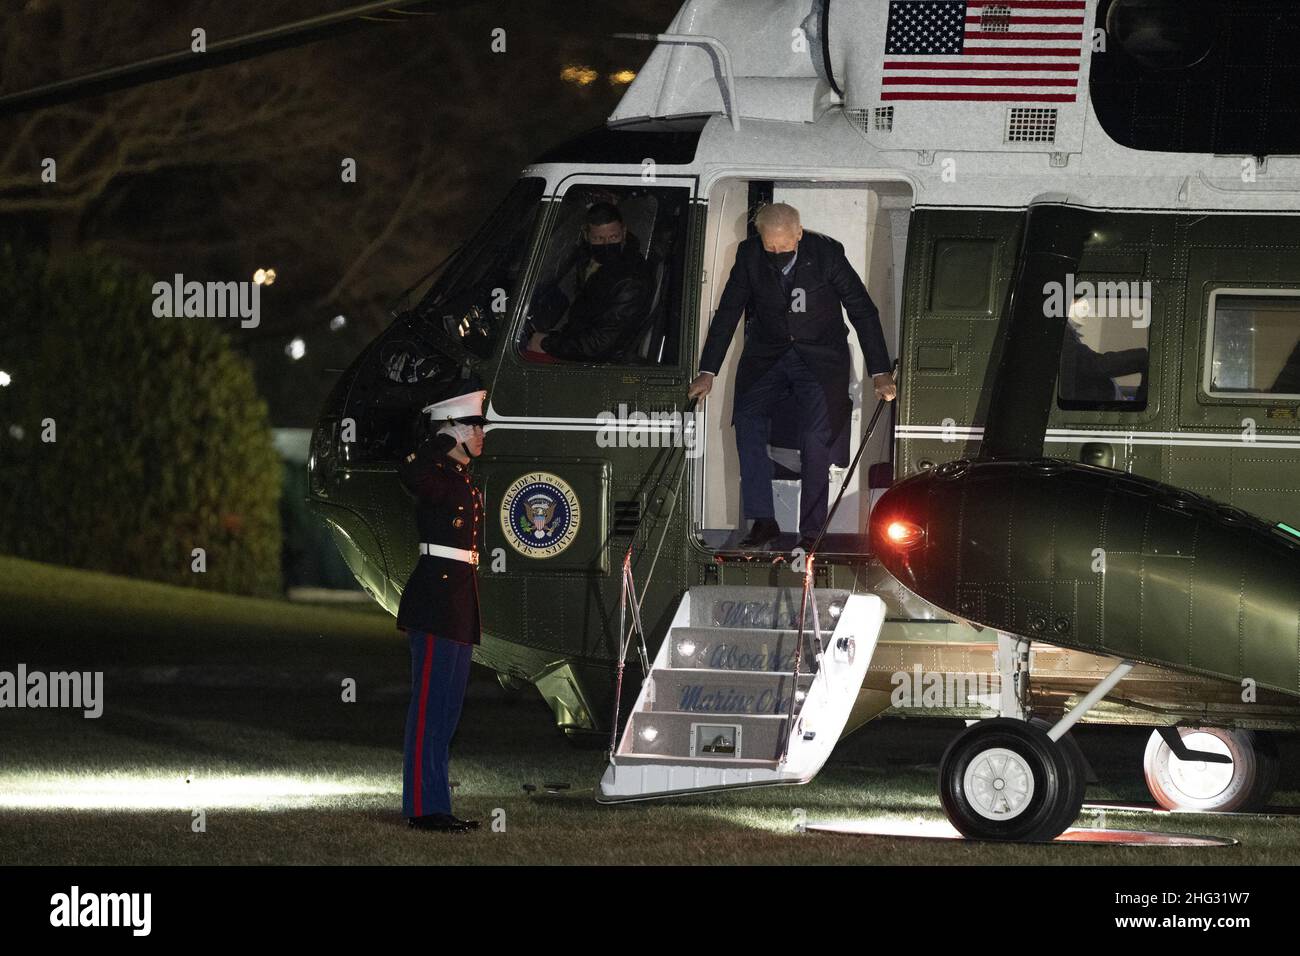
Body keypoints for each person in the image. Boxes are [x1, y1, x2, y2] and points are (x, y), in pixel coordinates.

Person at [688, 202, 896, 551]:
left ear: (799, 234)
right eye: (770, 246)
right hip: (767, 355)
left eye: (784, 246)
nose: (776, 252)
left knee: (816, 438)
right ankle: (763, 521)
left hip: (820, 357)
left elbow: (861, 309)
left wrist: (879, 371)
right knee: (747, 420)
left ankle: (812, 533)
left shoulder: (827, 255)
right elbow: (728, 313)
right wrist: (707, 371)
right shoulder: (750, 255)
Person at [395, 384, 487, 833]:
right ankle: (422, 807)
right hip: (435, 601)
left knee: (447, 711)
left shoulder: (459, 477)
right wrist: (438, 441)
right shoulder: (431, 469)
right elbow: (408, 473)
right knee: (429, 709)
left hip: (457, 604)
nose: (482, 433)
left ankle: (438, 805)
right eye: (474, 425)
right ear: (452, 429)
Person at [524, 201, 650, 362]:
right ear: (586, 235)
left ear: (624, 232)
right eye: (598, 238)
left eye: (614, 237)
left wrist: (547, 343)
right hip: (577, 342)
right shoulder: (589, 260)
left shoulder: (631, 281)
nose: (606, 245)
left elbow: (601, 342)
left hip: (599, 360)